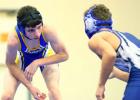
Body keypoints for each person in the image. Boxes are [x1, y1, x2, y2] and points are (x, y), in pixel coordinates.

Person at [1, 5, 68, 100]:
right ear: (22, 30)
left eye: (39, 27)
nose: (37, 33)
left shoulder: (48, 31)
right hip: (21, 59)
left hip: (44, 57)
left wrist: (36, 62)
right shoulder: (14, 39)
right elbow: (10, 63)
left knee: (55, 93)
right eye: (31, 30)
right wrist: (30, 87)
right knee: (6, 96)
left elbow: (64, 55)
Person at [83, 4, 140, 100]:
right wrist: (115, 72)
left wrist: (101, 85)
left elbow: (110, 54)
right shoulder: (127, 36)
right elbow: (131, 76)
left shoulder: (96, 39)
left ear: (89, 23)